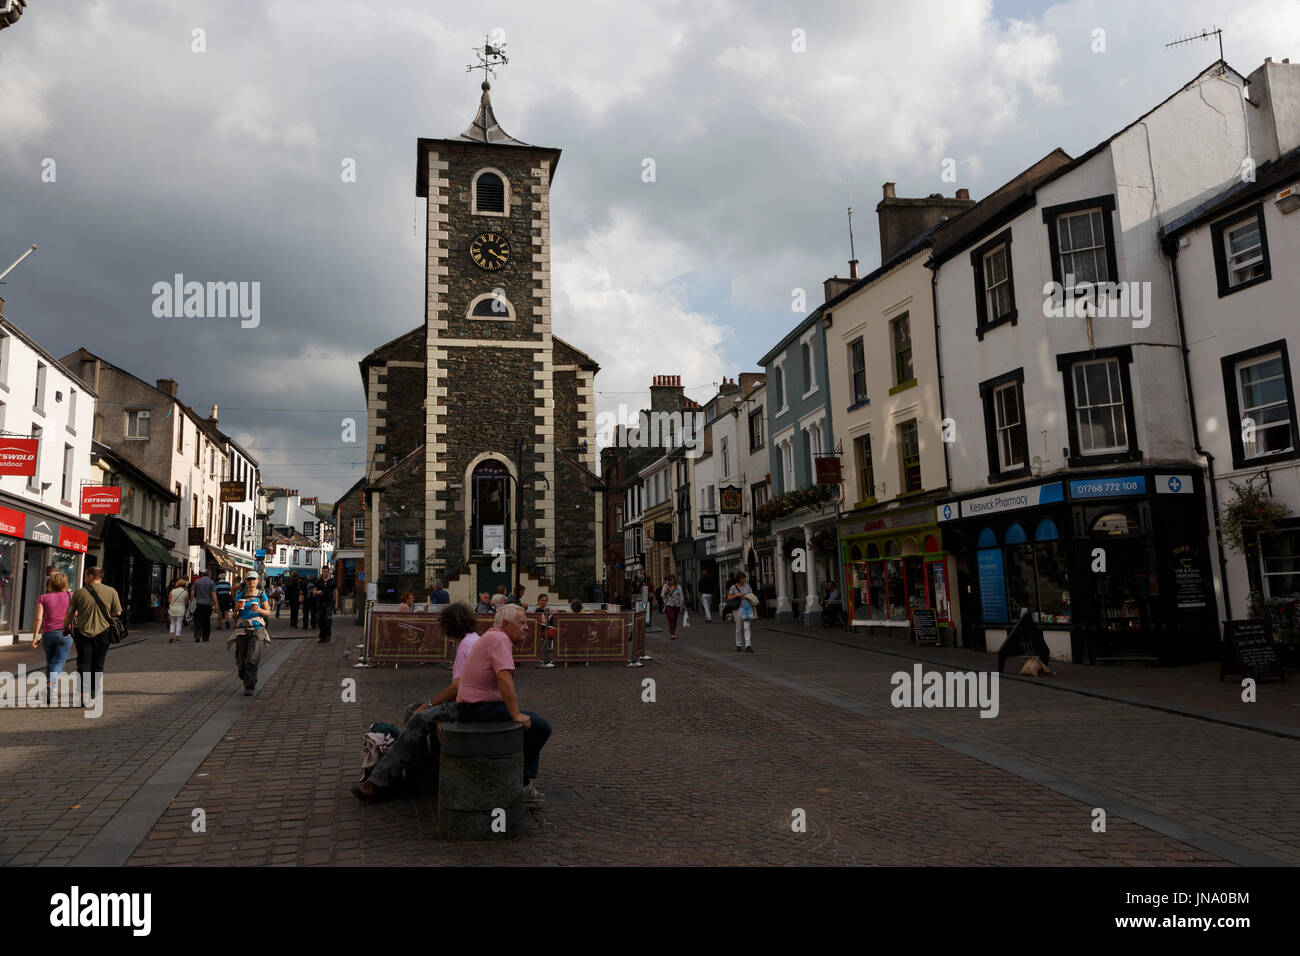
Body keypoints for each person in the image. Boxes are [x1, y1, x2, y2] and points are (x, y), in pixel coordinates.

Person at [352, 602, 481, 802]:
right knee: (413, 710)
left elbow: (458, 687)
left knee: (419, 715)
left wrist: (429, 704)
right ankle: (421, 772)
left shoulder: (466, 646)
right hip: (472, 700)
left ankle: (381, 780)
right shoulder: (472, 640)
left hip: (469, 704)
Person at [457, 603, 552, 803]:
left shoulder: (494, 636)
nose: (527, 627)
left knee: (533, 723)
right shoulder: (500, 638)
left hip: (476, 707)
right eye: (522, 623)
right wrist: (515, 714)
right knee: (540, 727)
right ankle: (515, 777)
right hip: (478, 709)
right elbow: (504, 677)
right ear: (506, 624)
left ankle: (521, 779)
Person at [65, 566, 123, 706]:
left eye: (85, 576)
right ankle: (93, 691)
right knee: (98, 662)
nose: (85, 579)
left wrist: (65, 628)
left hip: (83, 632)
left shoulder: (79, 593)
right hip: (104, 632)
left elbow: (70, 613)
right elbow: (118, 612)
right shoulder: (111, 591)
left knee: (83, 663)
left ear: (91, 576)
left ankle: (83, 693)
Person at [228, 572, 271, 695]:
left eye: (253, 579)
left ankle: (249, 685)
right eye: (249, 579)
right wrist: (236, 611)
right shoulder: (241, 595)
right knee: (240, 660)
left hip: (257, 628)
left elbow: (268, 613)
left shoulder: (262, 595)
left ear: (258, 581)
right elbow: (235, 613)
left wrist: (258, 610)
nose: (251, 581)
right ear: (246, 581)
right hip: (242, 628)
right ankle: (244, 676)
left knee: (252, 658)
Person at [34, 571, 73, 698]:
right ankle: (51, 686)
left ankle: (51, 688)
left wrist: (35, 636)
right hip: (65, 632)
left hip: (48, 633)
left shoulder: (43, 598)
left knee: (50, 660)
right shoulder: (70, 595)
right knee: (59, 661)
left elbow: (38, 618)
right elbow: (76, 614)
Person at [997, 607, 1052, 674]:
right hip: (1025, 644)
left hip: (1026, 643)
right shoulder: (1028, 625)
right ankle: (1044, 668)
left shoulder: (1025, 625)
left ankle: (1044, 668)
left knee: (1044, 651)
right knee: (1045, 651)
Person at [728, 571, 757, 653]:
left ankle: (748, 645)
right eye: (742, 578)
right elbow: (729, 597)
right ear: (738, 579)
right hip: (737, 609)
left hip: (747, 608)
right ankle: (738, 644)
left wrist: (749, 597)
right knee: (738, 627)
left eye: (745, 578)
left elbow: (751, 594)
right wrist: (737, 595)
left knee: (747, 627)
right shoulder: (733, 587)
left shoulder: (747, 586)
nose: (744, 579)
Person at [189, 568, 215, 643]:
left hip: (198, 604)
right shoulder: (211, 582)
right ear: (208, 574)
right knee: (206, 620)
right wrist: (215, 603)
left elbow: (192, 592)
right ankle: (205, 637)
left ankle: (197, 635)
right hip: (208, 604)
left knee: (198, 620)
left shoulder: (197, 582)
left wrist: (192, 600)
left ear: (202, 574)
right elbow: (213, 594)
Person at [536, 593, 557, 668]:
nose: (544, 602)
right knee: (562, 633)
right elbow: (545, 622)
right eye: (542, 600)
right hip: (545, 632)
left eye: (545, 600)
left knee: (563, 631)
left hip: (550, 629)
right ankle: (558, 657)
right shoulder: (539, 610)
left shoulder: (544, 610)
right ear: (539, 601)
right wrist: (551, 614)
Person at [317, 568, 337, 643]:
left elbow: (336, 592)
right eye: (323, 571)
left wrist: (336, 603)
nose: (324, 573)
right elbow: (314, 590)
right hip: (320, 603)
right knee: (320, 619)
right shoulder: (319, 581)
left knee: (327, 619)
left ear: (328, 572)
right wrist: (317, 592)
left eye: (326, 571)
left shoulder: (332, 581)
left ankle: (327, 635)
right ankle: (322, 636)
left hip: (329, 603)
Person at [166, 578, 189, 642]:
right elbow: (187, 602)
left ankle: (171, 635)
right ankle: (177, 637)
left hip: (172, 608)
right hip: (181, 609)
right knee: (179, 623)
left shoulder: (172, 591)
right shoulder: (186, 592)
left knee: (172, 622)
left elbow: (169, 600)